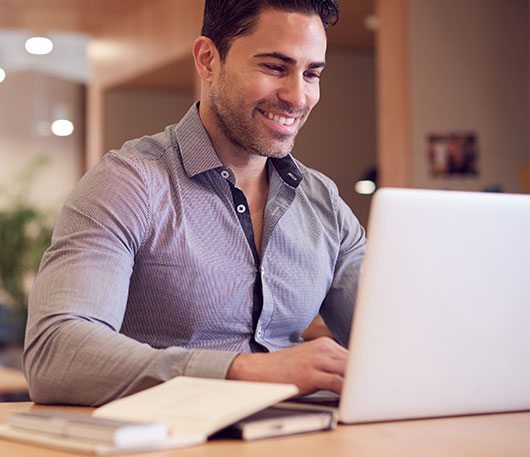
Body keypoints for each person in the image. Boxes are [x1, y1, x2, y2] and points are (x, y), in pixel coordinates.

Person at [24, 0, 366, 406]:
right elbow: (55, 355)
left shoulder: (324, 204)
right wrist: (244, 372)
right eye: (275, 67)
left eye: (311, 74)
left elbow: (393, 341)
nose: (297, 96)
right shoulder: (128, 182)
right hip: (170, 433)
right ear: (208, 60)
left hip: (303, 433)